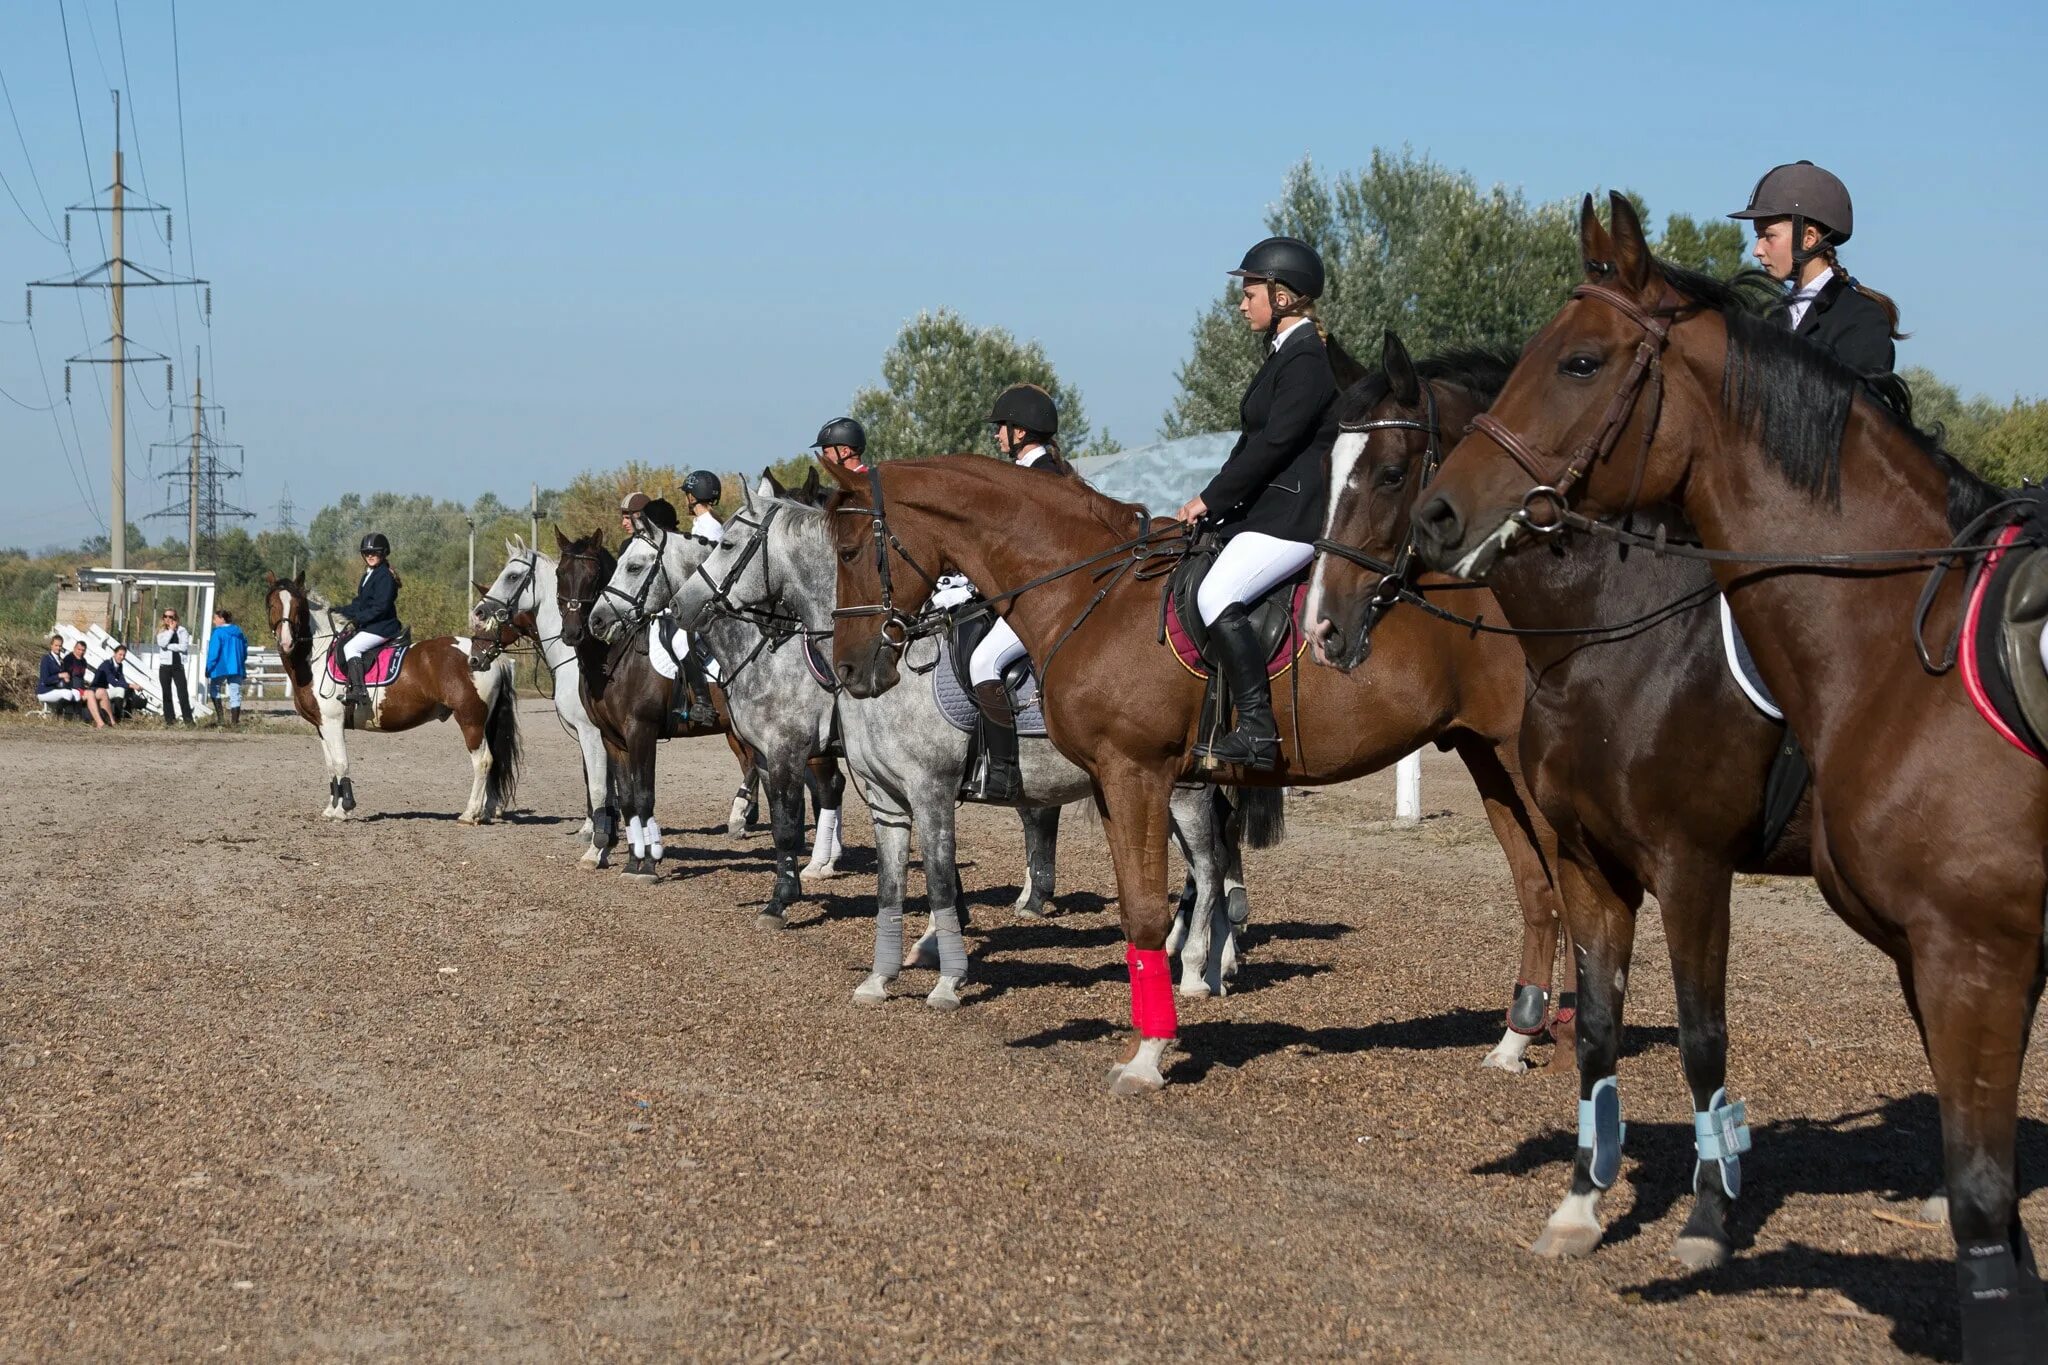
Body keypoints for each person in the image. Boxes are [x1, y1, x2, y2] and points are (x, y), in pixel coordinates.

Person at [1171, 236, 1339, 770]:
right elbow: (1249, 445)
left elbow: (1274, 445)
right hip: (1265, 513)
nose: (1242, 303)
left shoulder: (1308, 360)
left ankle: (1258, 730)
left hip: (1294, 517)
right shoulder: (1283, 356)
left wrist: (1211, 498)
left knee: (1218, 592)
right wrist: (1212, 505)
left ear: (1283, 298)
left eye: (1250, 292)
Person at [965, 384, 1077, 799]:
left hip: (1040, 601)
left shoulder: (1038, 481)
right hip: (1027, 595)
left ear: (1022, 431)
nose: (997, 435)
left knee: (983, 661)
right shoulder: (1038, 475)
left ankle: (1005, 772)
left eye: (1002, 428)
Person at [1728, 161, 1903, 378]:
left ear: (1809, 238)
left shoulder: (1861, 318)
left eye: (1769, 236)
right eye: (1757, 236)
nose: (1757, 250)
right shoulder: (1772, 319)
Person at [672, 469, 726, 728]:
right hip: (698, 598)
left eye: (687, 495)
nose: (685, 500)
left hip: (710, 602)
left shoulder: (710, 528)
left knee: (681, 643)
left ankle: (704, 703)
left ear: (693, 496)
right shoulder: (703, 525)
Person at [336, 532, 404, 710]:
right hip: (372, 625)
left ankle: (359, 691)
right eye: (367, 553)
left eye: (374, 553)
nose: (370, 556)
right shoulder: (369, 574)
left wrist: (358, 618)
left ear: (383, 553)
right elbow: (360, 603)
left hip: (383, 627)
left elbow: (380, 607)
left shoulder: (384, 576)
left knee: (351, 647)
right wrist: (339, 611)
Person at [205, 607, 250, 728]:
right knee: (235, 693)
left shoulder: (218, 632)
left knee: (214, 688)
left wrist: (209, 667)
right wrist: (241, 661)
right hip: (236, 666)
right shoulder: (239, 632)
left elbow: (214, 652)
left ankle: (221, 719)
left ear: (222, 619)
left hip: (221, 665)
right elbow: (245, 649)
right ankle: (235, 722)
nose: (214, 621)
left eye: (215, 618)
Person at [156, 608, 195, 726]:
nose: (168, 619)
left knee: (183, 693)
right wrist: (171, 631)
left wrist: (169, 646)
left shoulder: (182, 631)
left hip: (178, 666)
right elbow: (162, 643)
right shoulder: (161, 631)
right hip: (165, 666)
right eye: (165, 616)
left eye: (171, 617)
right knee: (166, 694)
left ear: (176, 618)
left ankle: (188, 721)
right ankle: (170, 720)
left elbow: (183, 647)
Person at [35, 634, 88, 717]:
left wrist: (66, 678)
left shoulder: (60, 659)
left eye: (60, 646)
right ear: (51, 645)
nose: (58, 648)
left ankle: (77, 718)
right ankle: (57, 716)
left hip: (57, 688)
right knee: (67, 693)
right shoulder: (46, 659)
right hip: (45, 690)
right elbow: (45, 680)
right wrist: (60, 676)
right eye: (56, 645)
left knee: (77, 693)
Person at [64, 640, 113, 728]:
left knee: (102, 691)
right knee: (90, 694)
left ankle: (112, 721)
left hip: (82, 688)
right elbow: (66, 677)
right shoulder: (68, 659)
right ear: (74, 648)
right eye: (79, 649)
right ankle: (100, 723)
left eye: (83, 650)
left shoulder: (84, 661)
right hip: (72, 688)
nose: (81, 652)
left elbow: (81, 678)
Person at [90, 643, 132, 722]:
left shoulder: (119, 665)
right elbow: (113, 682)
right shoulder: (107, 664)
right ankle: (117, 718)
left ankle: (124, 717)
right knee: (120, 690)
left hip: (104, 690)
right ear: (114, 653)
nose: (122, 657)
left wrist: (129, 687)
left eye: (124, 655)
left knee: (127, 690)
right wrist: (130, 685)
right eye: (120, 654)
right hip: (96, 690)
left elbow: (121, 680)